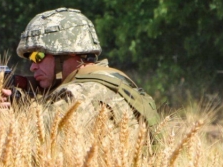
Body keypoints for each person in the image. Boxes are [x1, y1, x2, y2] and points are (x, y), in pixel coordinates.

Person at [16, 8, 158, 129]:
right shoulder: (111, 78)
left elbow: (25, 144)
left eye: (38, 56)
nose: (33, 66)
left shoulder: (80, 94)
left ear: (68, 52)